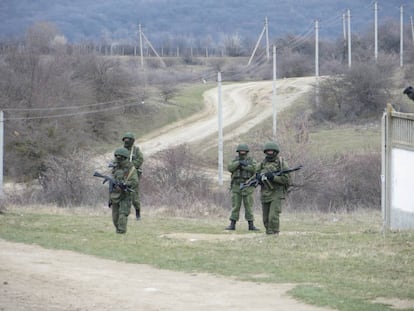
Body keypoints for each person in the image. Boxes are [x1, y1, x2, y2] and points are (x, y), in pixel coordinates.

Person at [256, 142, 290, 236]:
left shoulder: (282, 163)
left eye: (271, 151)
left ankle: (274, 233)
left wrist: (273, 177)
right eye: (268, 151)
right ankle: (269, 232)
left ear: (275, 152)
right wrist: (258, 178)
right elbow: (255, 177)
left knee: (273, 216)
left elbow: (286, 179)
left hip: (276, 192)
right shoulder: (261, 164)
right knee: (265, 218)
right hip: (265, 192)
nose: (269, 153)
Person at [225, 143, 259, 231]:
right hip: (236, 186)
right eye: (241, 151)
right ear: (238, 152)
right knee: (235, 206)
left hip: (247, 186)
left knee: (249, 206)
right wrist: (238, 163)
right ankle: (232, 225)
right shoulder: (235, 160)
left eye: (244, 151)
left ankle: (251, 225)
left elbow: (255, 169)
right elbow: (230, 168)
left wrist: (245, 166)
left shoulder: (251, 160)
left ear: (247, 152)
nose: (242, 152)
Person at [109, 147, 139, 234]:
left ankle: (121, 233)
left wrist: (126, 184)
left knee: (123, 215)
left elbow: (135, 182)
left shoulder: (131, 169)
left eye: (120, 157)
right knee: (115, 218)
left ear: (124, 157)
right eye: (117, 156)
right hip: (115, 195)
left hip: (125, 195)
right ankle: (118, 231)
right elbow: (111, 183)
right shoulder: (115, 168)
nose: (118, 159)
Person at [122, 132, 144, 220]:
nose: (127, 142)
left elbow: (140, 159)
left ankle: (138, 214)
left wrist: (132, 165)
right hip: (123, 175)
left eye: (129, 140)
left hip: (134, 175)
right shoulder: (121, 150)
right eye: (125, 140)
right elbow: (116, 160)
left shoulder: (136, 150)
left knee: (134, 196)